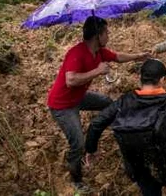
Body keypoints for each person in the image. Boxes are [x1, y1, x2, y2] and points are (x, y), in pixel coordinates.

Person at [84, 59, 166, 196]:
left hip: (138, 165)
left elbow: (97, 123)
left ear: (140, 78)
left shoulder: (125, 100)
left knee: (149, 189)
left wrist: (91, 149)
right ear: (162, 80)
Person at [47, 15, 149, 193]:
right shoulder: (76, 53)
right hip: (62, 105)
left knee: (108, 104)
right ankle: (76, 180)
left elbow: (117, 57)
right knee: (78, 143)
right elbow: (70, 80)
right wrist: (97, 71)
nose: (108, 36)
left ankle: (117, 134)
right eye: (106, 33)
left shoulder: (100, 51)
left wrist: (138, 56)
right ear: (97, 36)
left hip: (78, 98)